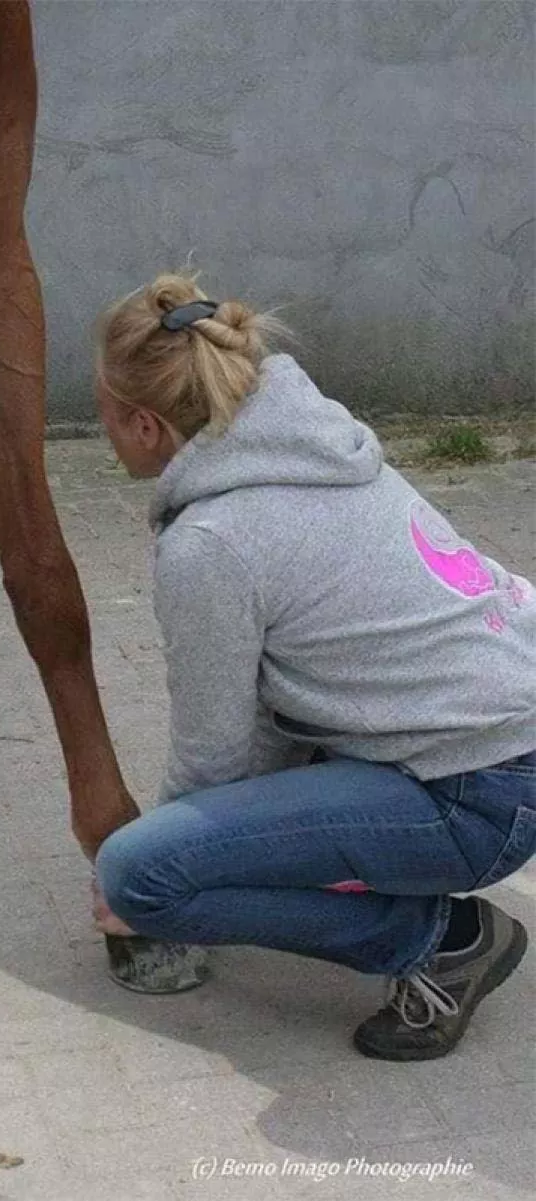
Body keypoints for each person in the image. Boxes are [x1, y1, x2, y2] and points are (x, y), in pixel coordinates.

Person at [90, 271, 536, 1062]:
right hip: (505, 742)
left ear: (146, 426)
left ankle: (441, 941)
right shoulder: (322, 447)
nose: (102, 430)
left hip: (480, 793)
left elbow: (213, 757)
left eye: (104, 413)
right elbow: (271, 715)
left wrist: (164, 869)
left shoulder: (210, 545)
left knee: (138, 874)